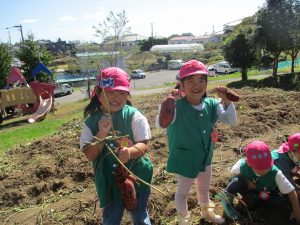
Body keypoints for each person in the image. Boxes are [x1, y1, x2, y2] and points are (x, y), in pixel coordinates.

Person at [156, 60, 237, 225]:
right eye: (190, 81)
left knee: (204, 189)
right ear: (182, 84)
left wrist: (227, 101)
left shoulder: (212, 104)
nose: (196, 85)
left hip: (205, 157)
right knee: (182, 193)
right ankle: (183, 220)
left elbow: (230, 120)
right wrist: (169, 104)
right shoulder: (177, 106)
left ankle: (207, 213)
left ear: (207, 83)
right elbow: (161, 124)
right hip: (185, 157)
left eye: (201, 80)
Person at [80, 67, 153, 225]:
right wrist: (101, 134)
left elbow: (144, 145)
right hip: (108, 180)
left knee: (140, 214)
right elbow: (90, 155)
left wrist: (130, 152)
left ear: (127, 94)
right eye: (110, 92)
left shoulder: (135, 115)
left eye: (121, 93)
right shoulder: (90, 122)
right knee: (111, 218)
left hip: (137, 175)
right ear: (99, 95)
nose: (116, 97)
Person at [219, 141, 300, 223]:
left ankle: (256, 204)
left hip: (266, 192)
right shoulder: (242, 165)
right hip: (248, 190)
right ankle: (228, 205)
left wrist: (297, 212)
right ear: (249, 164)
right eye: (260, 169)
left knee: (279, 203)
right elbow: (233, 173)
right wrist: (247, 181)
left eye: (267, 167)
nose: (264, 171)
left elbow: (291, 191)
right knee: (235, 183)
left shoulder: (276, 173)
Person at [271, 133, 300, 197]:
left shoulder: (292, 156)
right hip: (270, 186)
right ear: (292, 151)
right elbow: (291, 188)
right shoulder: (280, 161)